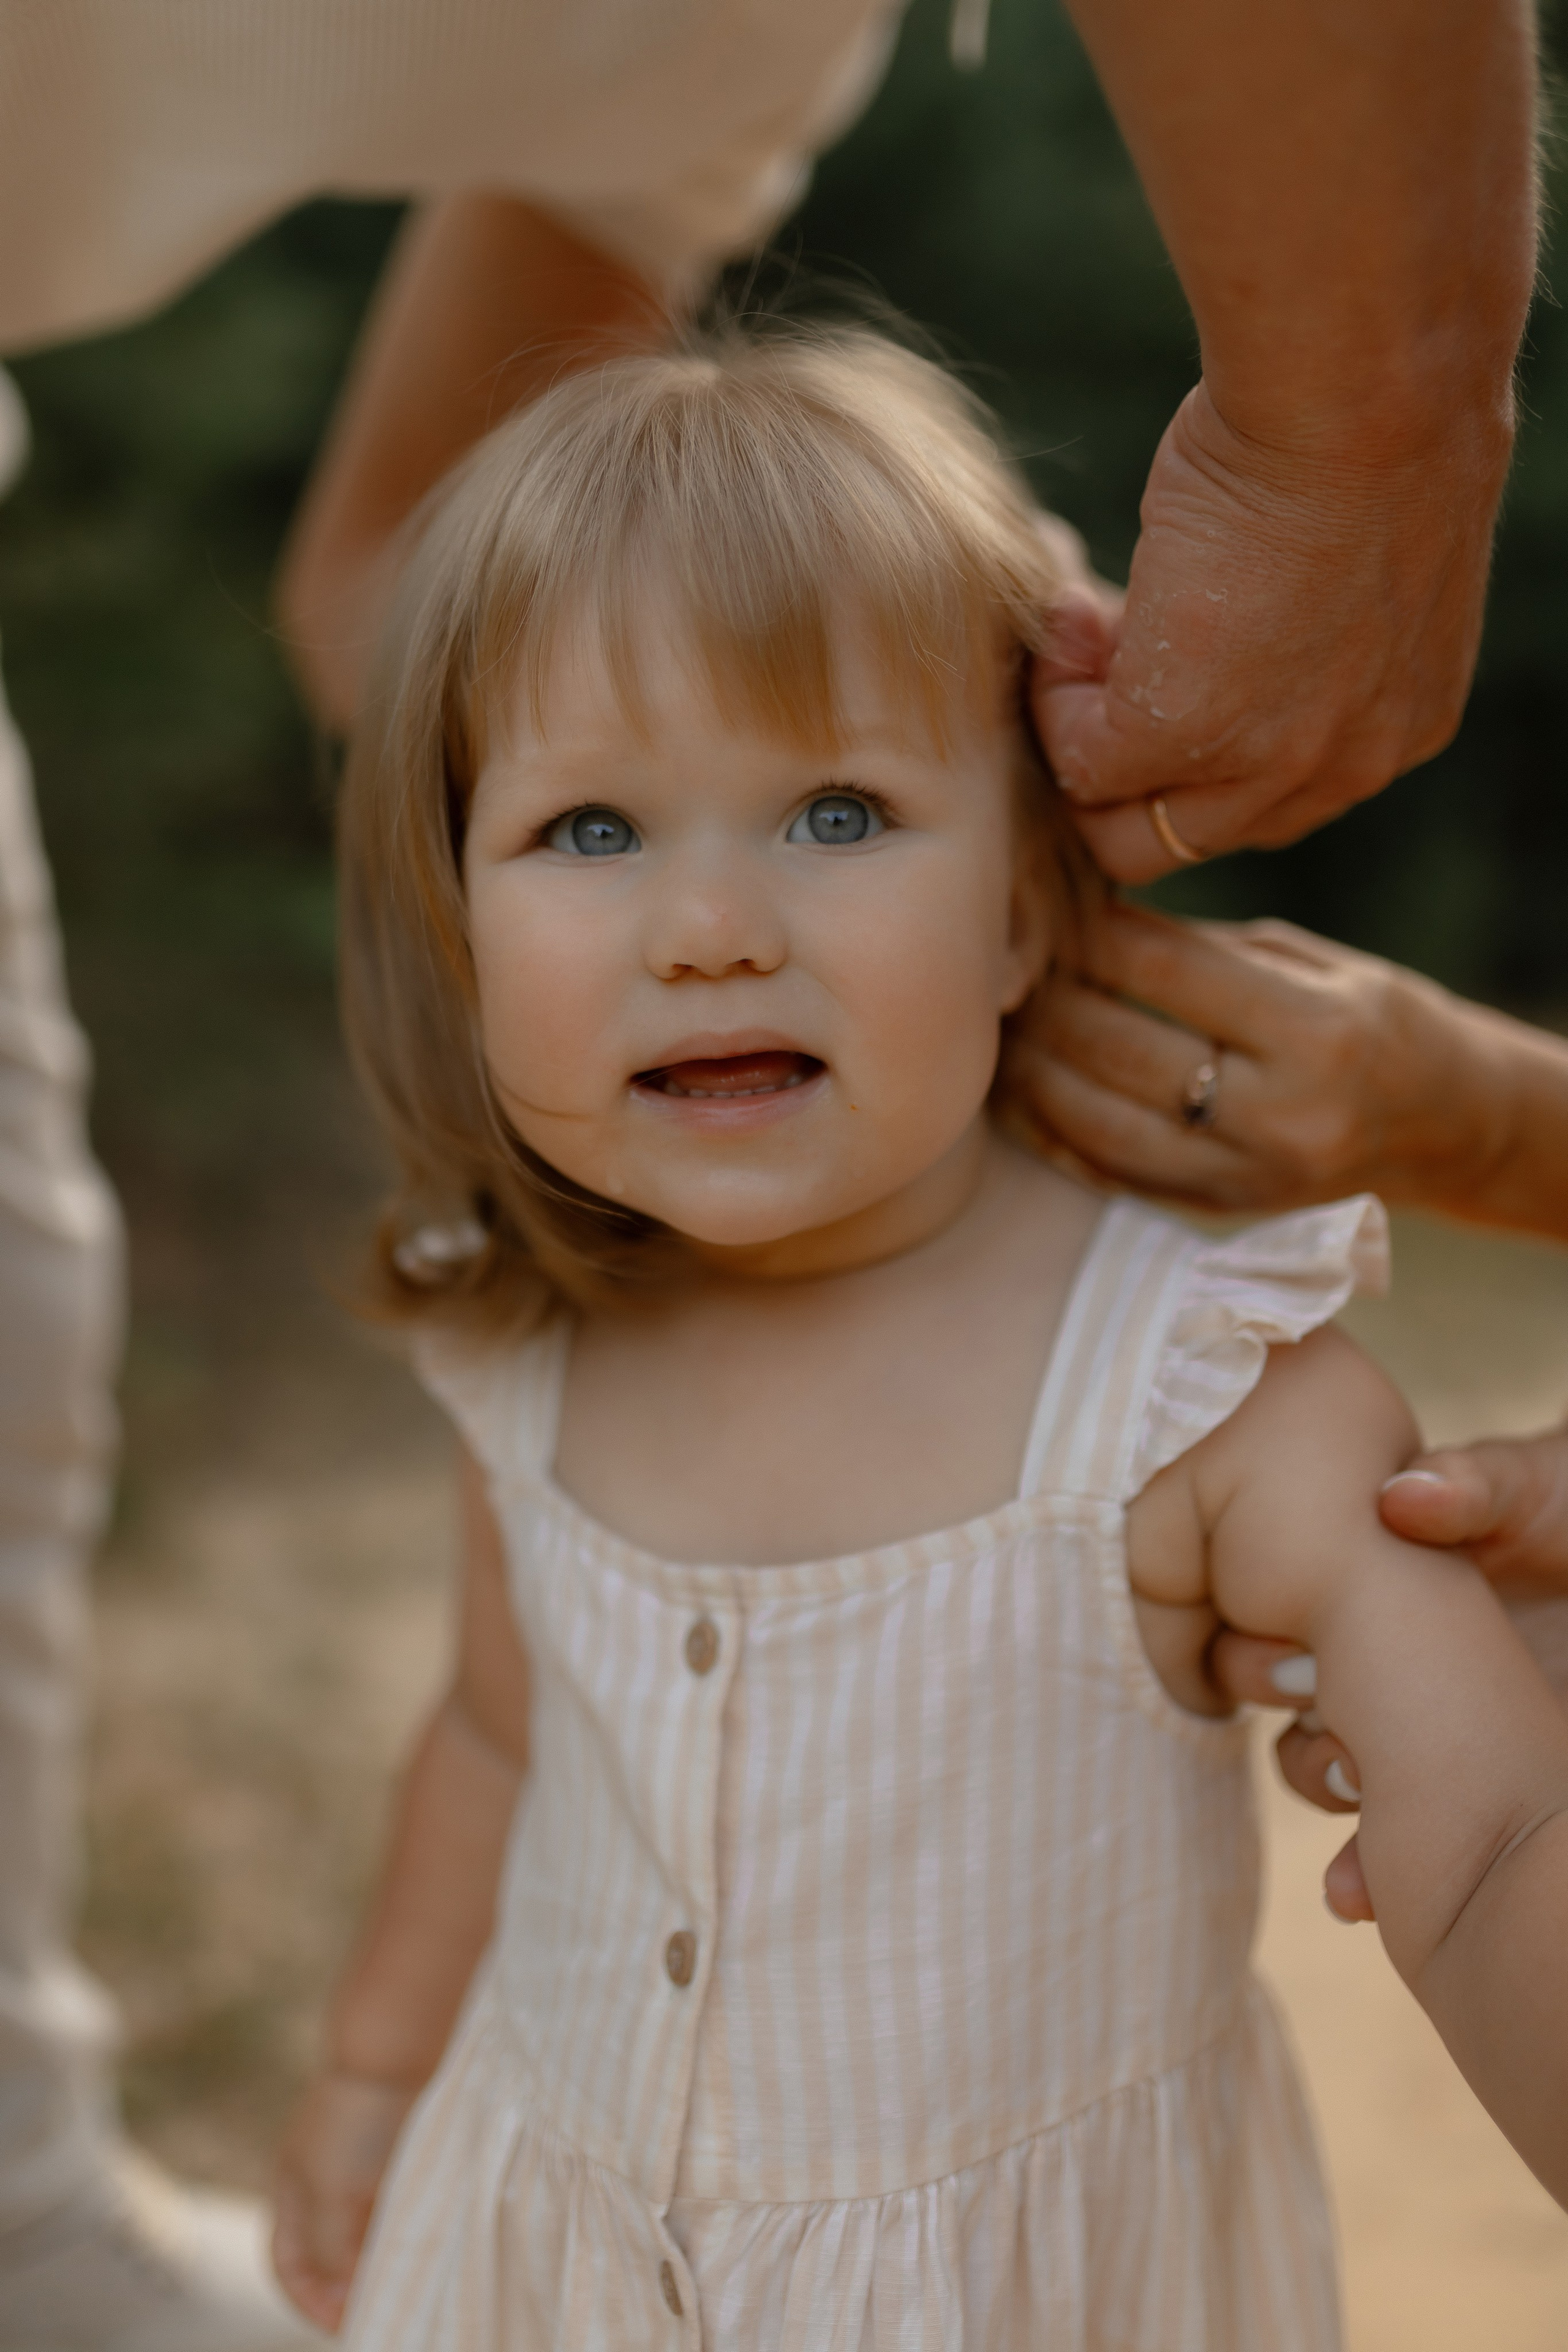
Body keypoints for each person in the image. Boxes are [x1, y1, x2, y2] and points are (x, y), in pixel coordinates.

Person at [0, 3, 1540, 2341]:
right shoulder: (534, 1338)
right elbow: (501, 1738)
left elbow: (1500, 1831)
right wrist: (370, 2077)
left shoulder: (1190, 1384)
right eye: (589, 829)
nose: (710, 920)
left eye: (837, 813)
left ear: (1033, 900)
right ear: (452, 910)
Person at [1020, 900, 1568, 1837]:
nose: (703, 934)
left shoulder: (1224, 1371)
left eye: (841, 820)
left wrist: (1497, 1124)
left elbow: (1499, 1861)